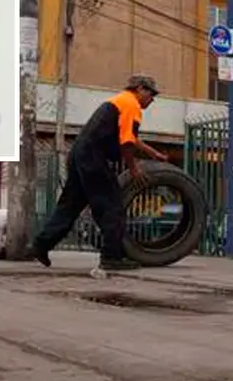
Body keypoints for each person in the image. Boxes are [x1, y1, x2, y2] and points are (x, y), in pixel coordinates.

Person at [32, 74, 167, 271]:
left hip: (79, 153)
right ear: (140, 89)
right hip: (94, 158)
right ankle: (112, 257)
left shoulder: (120, 101)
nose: (152, 99)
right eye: (151, 93)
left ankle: (41, 244)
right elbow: (127, 143)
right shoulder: (132, 105)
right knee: (112, 206)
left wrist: (153, 153)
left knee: (69, 206)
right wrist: (134, 168)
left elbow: (130, 137)